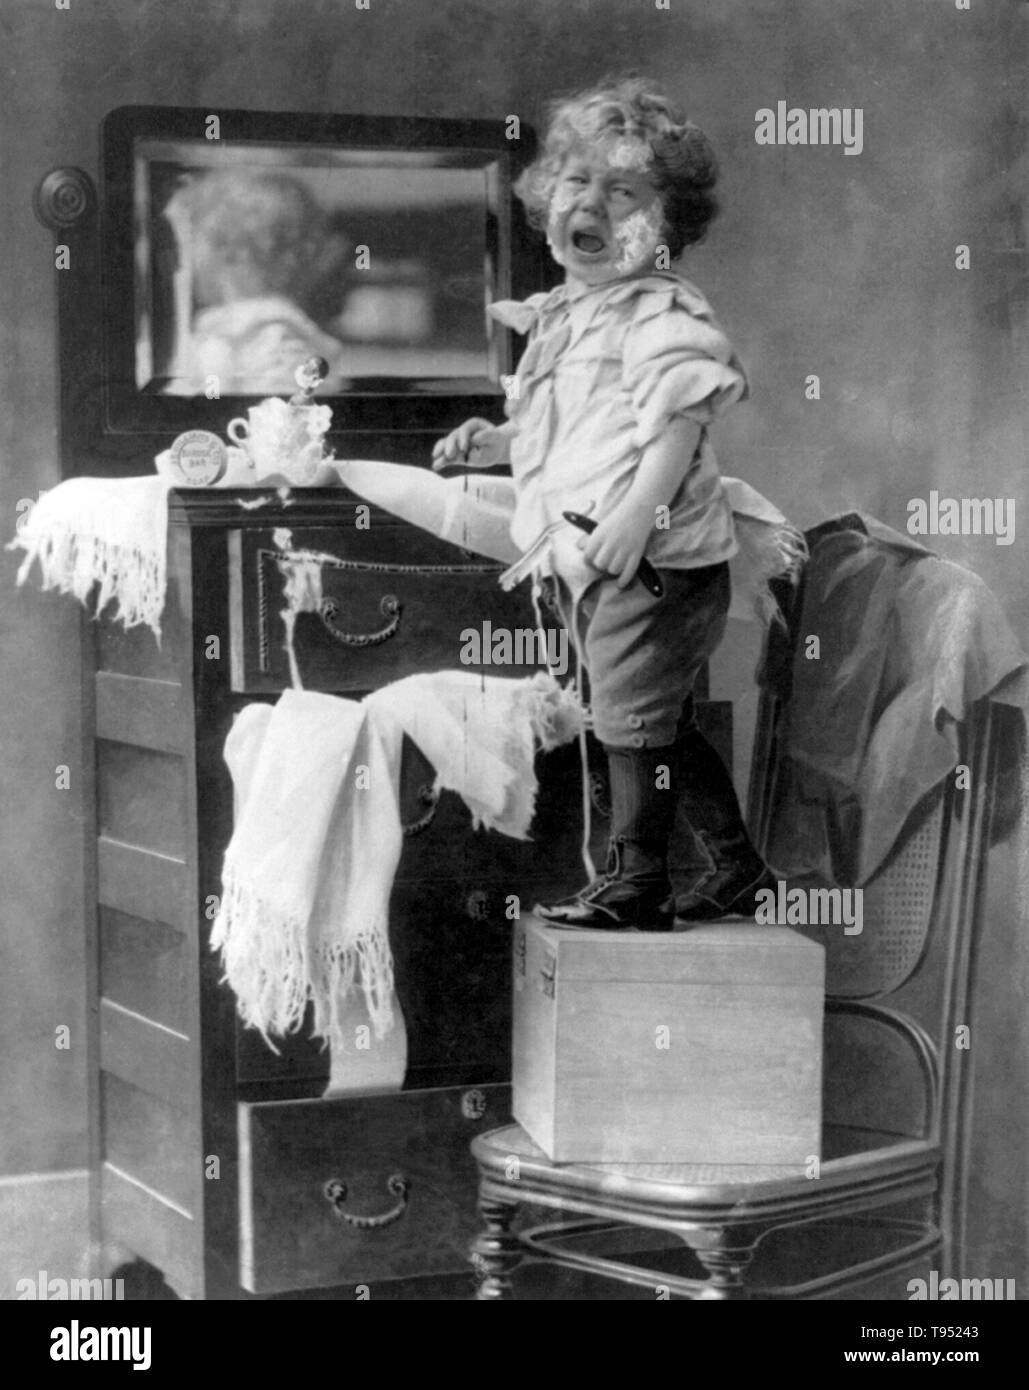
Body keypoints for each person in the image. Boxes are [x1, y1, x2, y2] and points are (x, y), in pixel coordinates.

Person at [432, 77, 773, 929]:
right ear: (550, 200)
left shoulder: (657, 314)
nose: (592, 205)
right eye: (578, 184)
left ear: (665, 226)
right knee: (648, 715)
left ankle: (637, 885)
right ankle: (737, 869)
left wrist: (635, 518)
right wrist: (500, 442)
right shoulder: (573, 314)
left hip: (652, 560)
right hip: (596, 556)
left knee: (627, 719)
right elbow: (579, 424)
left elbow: (679, 424)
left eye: (623, 192)